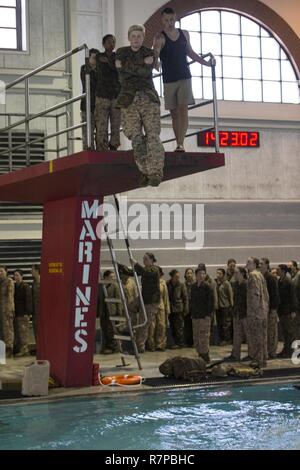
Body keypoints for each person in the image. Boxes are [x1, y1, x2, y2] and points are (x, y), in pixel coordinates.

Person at [153, 7, 212, 152]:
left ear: (175, 19)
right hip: (169, 79)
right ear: (162, 21)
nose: (169, 23)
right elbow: (155, 52)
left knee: (183, 109)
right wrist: (156, 63)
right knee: (174, 114)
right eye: (166, 20)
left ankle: (180, 143)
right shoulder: (159, 37)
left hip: (184, 76)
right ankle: (178, 141)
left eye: (172, 20)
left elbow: (190, 52)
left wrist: (206, 63)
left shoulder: (184, 34)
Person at [116, 25, 165, 187]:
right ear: (129, 37)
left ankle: (156, 172)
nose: (136, 39)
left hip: (147, 97)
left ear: (143, 38)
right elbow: (121, 73)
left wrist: (128, 66)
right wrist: (141, 65)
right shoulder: (121, 52)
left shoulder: (149, 53)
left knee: (152, 135)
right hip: (128, 99)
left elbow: (144, 72)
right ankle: (145, 171)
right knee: (135, 136)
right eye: (134, 36)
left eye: (139, 36)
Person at [118, 253, 160, 353]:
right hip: (143, 298)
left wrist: (136, 263)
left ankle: (140, 347)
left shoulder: (154, 269)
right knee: (130, 306)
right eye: (143, 259)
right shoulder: (145, 269)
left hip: (151, 302)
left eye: (146, 259)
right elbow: (132, 272)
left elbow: (146, 272)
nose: (144, 261)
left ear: (152, 260)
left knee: (143, 324)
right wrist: (121, 266)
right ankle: (131, 326)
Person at [95, 35, 121, 151]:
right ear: (104, 44)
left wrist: (110, 62)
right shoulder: (99, 56)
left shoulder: (118, 57)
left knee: (116, 123)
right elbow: (103, 68)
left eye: (113, 42)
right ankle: (102, 146)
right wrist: (112, 63)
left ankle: (114, 145)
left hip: (116, 95)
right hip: (102, 95)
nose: (111, 44)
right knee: (102, 124)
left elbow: (118, 69)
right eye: (109, 42)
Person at [246, 257, 269, 368]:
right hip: (263, 311)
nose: (246, 264)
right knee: (263, 337)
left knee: (256, 338)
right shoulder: (260, 275)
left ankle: (258, 360)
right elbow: (266, 295)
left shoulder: (253, 275)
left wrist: (254, 312)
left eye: (249, 262)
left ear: (254, 264)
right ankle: (263, 359)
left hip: (256, 313)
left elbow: (256, 294)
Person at [225, 267, 249, 362]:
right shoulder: (235, 285)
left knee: (249, 336)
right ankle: (235, 354)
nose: (235, 275)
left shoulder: (246, 284)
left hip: (245, 313)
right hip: (237, 313)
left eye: (237, 273)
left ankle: (251, 354)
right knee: (237, 335)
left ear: (242, 273)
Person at [190, 267, 214, 363]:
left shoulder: (208, 287)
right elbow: (192, 301)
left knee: (203, 337)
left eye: (203, 274)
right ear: (196, 275)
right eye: (200, 273)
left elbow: (211, 302)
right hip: (196, 316)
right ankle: (200, 354)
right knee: (196, 337)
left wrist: (208, 315)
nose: (202, 275)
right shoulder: (193, 287)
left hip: (204, 316)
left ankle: (205, 356)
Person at [260, 258, 280, 359]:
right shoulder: (260, 276)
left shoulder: (271, 277)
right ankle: (266, 351)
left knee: (272, 331)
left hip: (271, 309)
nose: (260, 265)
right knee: (265, 331)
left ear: (267, 265)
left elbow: (275, 295)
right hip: (263, 309)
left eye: (262, 263)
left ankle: (272, 351)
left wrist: (273, 309)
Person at [80, 48, 99, 150]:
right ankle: (89, 150)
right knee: (88, 131)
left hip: (98, 105)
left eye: (97, 58)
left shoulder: (100, 70)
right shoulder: (84, 68)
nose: (95, 60)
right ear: (89, 58)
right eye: (93, 58)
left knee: (100, 131)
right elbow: (89, 83)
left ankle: (100, 151)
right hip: (87, 106)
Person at [147, 267, 170, 351]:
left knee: (161, 326)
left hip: (161, 306)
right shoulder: (148, 282)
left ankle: (160, 344)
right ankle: (151, 344)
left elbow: (165, 297)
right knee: (152, 326)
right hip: (151, 306)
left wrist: (167, 309)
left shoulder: (163, 283)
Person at [97, 270, 119, 354]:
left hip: (112, 312)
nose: (112, 278)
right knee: (104, 329)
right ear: (106, 277)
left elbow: (118, 299)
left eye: (113, 277)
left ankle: (113, 347)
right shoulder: (100, 286)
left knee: (111, 330)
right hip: (103, 311)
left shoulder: (115, 286)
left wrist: (119, 313)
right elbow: (98, 300)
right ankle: (106, 346)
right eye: (111, 277)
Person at [277, 264, 296, 358]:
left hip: (287, 310)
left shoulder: (288, 281)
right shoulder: (279, 281)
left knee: (289, 332)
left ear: (283, 271)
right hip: (281, 310)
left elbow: (293, 296)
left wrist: (293, 310)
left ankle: (289, 351)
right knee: (284, 332)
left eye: (278, 269)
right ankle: (286, 349)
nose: (277, 271)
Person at [167, 269, 188, 348]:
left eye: (178, 277)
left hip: (178, 309)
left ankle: (180, 342)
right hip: (171, 309)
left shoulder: (181, 285)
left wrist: (186, 309)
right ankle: (175, 342)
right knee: (172, 326)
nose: (177, 278)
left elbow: (185, 297)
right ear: (172, 277)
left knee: (179, 327)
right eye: (176, 277)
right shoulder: (167, 284)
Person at [13, 269, 32, 357]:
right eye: (15, 275)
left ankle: (25, 349)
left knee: (24, 332)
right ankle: (21, 349)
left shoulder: (25, 286)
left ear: (22, 276)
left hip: (23, 313)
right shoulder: (14, 286)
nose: (16, 277)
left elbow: (28, 300)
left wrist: (27, 312)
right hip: (16, 312)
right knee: (18, 332)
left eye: (17, 275)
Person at [198, 263, 218, 345]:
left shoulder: (211, 282)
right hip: (201, 307)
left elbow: (214, 294)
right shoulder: (199, 281)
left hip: (209, 307)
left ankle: (210, 341)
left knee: (210, 325)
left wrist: (214, 305)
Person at [215, 268, 234, 346]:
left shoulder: (226, 283)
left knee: (226, 324)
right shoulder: (217, 283)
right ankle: (222, 339)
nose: (218, 275)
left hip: (225, 306)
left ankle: (227, 339)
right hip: (219, 307)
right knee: (220, 323)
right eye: (217, 273)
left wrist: (231, 305)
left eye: (220, 273)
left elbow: (230, 295)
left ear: (223, 274)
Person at [0, 266, 15, 358]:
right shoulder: (0, 282)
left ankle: (9, 349)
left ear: (6, 272)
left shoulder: (9, 281)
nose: (0, 273)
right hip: (0, 310)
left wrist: (10, 309)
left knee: (8, 330)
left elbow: (10, 296)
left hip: (7, 309)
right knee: (2, 330)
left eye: (1, 271)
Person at [288, 260, 300, 341]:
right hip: (295, 306)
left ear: (295, 266)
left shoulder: (299, 276)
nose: (289, 267)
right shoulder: (292, 276)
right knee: (295, 327)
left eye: (290, 265)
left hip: (298, 306)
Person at [184, 268, 195, 346]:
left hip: (195, 308)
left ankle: (195, 342)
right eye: (188, 273)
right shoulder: (183, 285)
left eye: (191, 273)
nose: (189, 275)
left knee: (194, 326)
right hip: (187, 307)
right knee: (187, 325)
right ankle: (188, 342)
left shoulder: (196, 284)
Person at [31, 264, 40, 342]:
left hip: (42, 311)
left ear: (37, 270)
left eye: (32, 270)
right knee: (35, 328)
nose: (31, 271)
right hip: (35, 311)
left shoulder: (43, 281)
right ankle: (38, 346)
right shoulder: (33, 282)